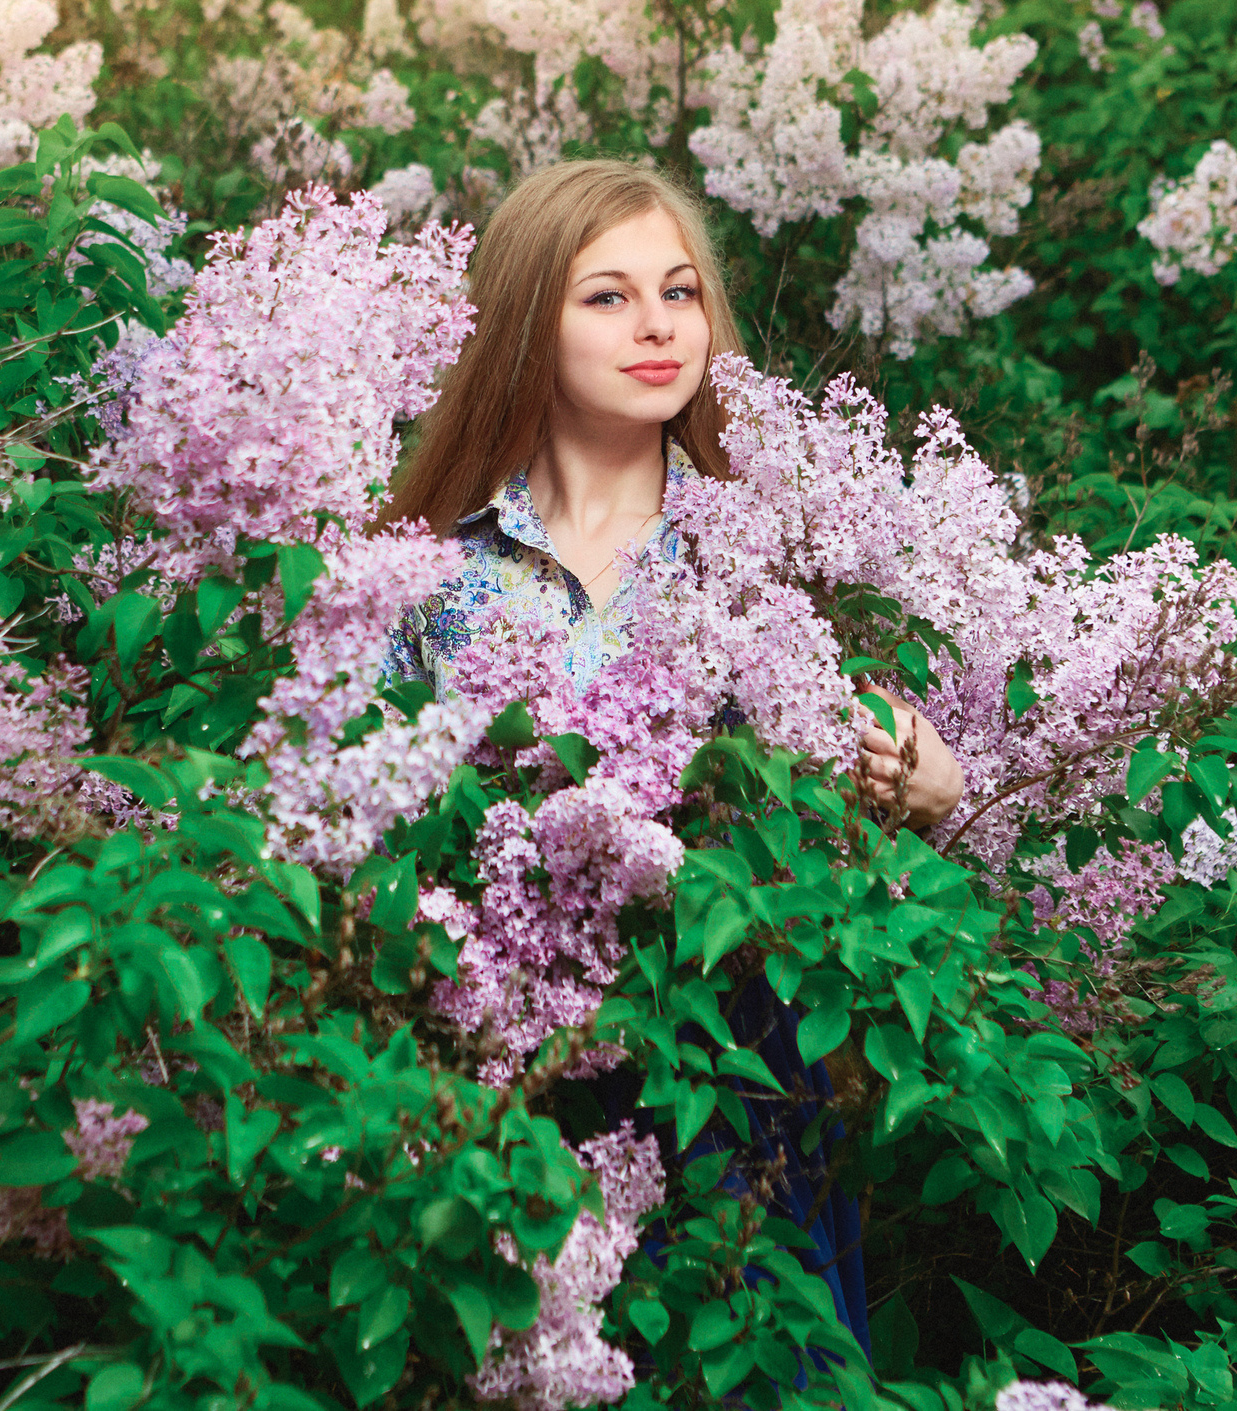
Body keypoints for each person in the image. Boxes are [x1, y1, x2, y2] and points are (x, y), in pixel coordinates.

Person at [379, 158, 966, 1354]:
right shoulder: (434, 565)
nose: (656, 325)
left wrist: (925, 785)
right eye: (605, 296)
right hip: (515, 1062)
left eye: (679, 292)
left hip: (736, 1053)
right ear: (520, 323)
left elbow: (840, 756)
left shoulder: (761, 532)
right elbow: (372, 811)